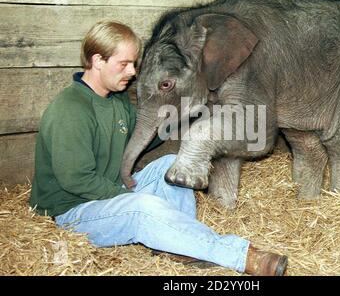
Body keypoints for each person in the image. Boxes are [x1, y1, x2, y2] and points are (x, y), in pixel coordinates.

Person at [29, 20, 288, 276]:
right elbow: (76, 179)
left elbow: (143, 137)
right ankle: (243, 256)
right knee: (144, 207)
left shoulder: (116, 101)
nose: (132, 72)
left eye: (134, 64)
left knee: (168, 166)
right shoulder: (71, 109)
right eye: (124, 64)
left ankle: (180, 245)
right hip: (73, 210)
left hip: (107, 192)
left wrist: (189, 115)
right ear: (98, 61)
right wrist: (127, 196)